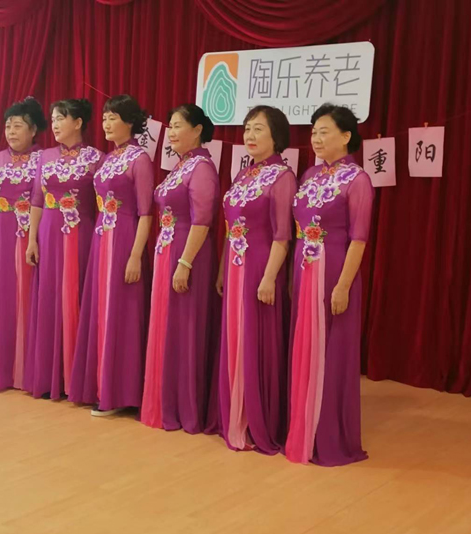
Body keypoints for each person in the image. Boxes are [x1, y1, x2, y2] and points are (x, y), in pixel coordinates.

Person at [286, 103, 374, 466]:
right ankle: (302, 426)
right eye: (314, 132)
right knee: (305, 345)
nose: (317, 139)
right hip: (304, 267)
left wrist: (343, 285)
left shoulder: (358, 179)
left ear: (346, 136)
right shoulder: (309, 175)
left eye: (325, 132)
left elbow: (359, 239)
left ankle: (328, 434)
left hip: (336, 268)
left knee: (331, 350)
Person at [69, 94, 154, 416]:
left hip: (125, 238)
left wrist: (135, 255)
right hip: (102, 237)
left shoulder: (139, 159)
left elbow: (145, 213)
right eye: (104, 118)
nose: (106, 123)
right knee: (100, 309)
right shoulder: (107, 159)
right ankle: (97, 385)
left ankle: (119, 392)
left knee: (120, 312)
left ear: (129, 122)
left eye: (112, 118)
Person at [217, 105, 296, 453]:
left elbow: (283, 235)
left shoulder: (283, 177)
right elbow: (230, 228)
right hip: (235, 265)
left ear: (276, 136)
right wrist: (222, 268)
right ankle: (234, 411)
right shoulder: (243, 174)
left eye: (258, 129)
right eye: (247, 128)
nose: (249, 135)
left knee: (256, 338)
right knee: (235, 336)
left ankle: (256, 417)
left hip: (262, 266)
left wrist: (269, 278)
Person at [141, 104, 220, 433]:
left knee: (184, 329)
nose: (171, 132)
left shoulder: (202, 168)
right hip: (168, 251)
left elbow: (202, 221)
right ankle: (163, 399)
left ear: (197, 130)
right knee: (167, 326)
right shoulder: (181, 166)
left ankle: (184, 405)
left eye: (178, 126)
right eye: (170, 126)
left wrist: (185, 262)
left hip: (188, 254)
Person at [24, 99, 103, 399]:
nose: (55, 124)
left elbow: (102, 203)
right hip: (48, 233)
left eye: (61, 118)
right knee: (48, 298)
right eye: (53, 119)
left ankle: (75, 378)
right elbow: (37, 200)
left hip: (81, 234)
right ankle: (48, 377)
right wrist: (32, 239)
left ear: (78, 123)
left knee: (76, 297)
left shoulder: (96, 158)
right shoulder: (44, 156)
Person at [0, 97, 45, 392]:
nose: (11, 132)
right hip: (1, 239)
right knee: (4, 299)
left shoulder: (44, 159)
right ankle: (4, 367)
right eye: (8, 126)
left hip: (33, 239)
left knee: (30, 299)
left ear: (33, 130)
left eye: (18, 126)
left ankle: (30, 370)